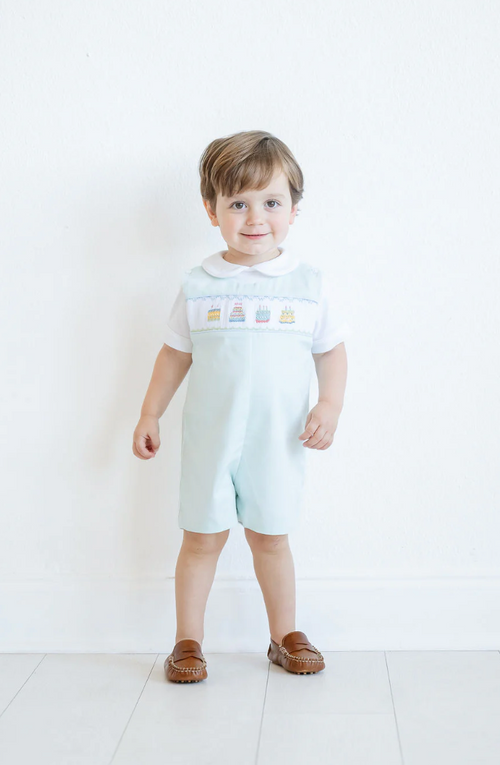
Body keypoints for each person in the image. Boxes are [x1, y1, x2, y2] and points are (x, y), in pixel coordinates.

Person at [133, 130, 351, 683]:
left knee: (271, 537)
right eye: (238, 204)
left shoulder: (308, 285)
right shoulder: (199, 285)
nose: (256, 218)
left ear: (294, 209)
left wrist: (329, 404)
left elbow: (331, 351)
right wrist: (150, 412)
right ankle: (187, 642)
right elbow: (174, 354)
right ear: (212, 210)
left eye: (271, 202)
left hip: (277, 440)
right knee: (201, 539)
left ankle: (284, 635)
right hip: (211, 439)